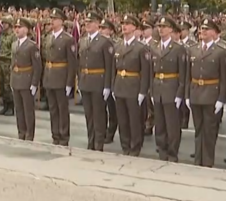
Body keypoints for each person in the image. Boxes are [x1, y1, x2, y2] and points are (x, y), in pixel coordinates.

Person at [188, 19, 226, 168]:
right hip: (196, 93)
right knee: (198, 129)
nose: (202, 32)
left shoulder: (220, 52)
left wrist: (221, 98)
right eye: (201, 29)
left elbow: (224, 78)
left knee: (209, 130)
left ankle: (207, 161)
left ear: (214, 32)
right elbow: (188, 75)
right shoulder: (193, 49)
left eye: (207, 29)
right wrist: (188, 95)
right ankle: (198, 159)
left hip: (212, 94)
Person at [112, 14, 151, 156]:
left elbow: (145, 72)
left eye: (128, 24)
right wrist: (112, 86)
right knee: (122, 119)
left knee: (134, 120)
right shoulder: (118, 46)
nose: (124, 26)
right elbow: (113, 69)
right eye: (123, 23)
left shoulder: (140, 48)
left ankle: (135, 147)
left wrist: (143, 91)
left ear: (134, 27)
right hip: (120, 86)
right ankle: (125, 145)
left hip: (133, 86)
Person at [152, 16, 187, 162]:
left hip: (171, 88)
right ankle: (162, 150)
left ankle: (172, 153)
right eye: (159, 26)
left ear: (171, 29)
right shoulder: (154, 47)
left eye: (164, 27)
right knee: (159, 123)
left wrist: (180, 93)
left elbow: (183, 74)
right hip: (158, 88)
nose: (161, 29)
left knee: (172, 124)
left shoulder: (178, 49)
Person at [77, 12, 114, 152]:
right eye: (86, 22)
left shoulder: (104, 42)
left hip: (98, 82)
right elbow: (80, 63)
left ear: (98, 24)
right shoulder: (83, 40)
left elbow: (109, 66)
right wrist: (79, 81)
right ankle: (90, 141)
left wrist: (107, 86)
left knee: (98, 115)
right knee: (89, 115)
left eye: (91, 22)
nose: (87, 24)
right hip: (86, 81)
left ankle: (99, 143)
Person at [42, 9, 77, 146]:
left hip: (61, 77)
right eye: (51, 18)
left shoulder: (68, 39)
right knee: (53, 108)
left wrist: (69, 83)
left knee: (62, 109)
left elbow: (72, 63)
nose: (52, 21)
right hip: (50, 77)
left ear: (61, 21)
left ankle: (63, 135)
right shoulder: (48, 37)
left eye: (55, 18)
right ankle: (55, 134)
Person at [10, 17, 42, 141]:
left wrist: (34, 83)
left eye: (20, 27)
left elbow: (37, 67)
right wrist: (11, 80)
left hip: (27, 80)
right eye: (16, 27)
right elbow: (12, 64)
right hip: (16, 79)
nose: (17, 30)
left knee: (28, 110)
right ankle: (21, 132)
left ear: (27, 30)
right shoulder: (14, 44)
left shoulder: (32, 46)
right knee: (18, 109)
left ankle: (29, 134)